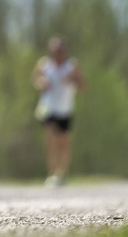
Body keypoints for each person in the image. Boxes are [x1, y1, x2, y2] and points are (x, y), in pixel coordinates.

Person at [31, 36, 86, 187]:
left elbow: (83, 86)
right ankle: (51, 173)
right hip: (48, 108)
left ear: (64, 51)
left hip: (65, 109)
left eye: (60, 51)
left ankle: (61, 173)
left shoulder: (71, 66)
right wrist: (41, 82)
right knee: (51, 138)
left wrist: (73, 79)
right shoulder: (44, 65)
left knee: (64, 142)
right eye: (54, 51)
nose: (57, 54)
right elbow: (35, 79)